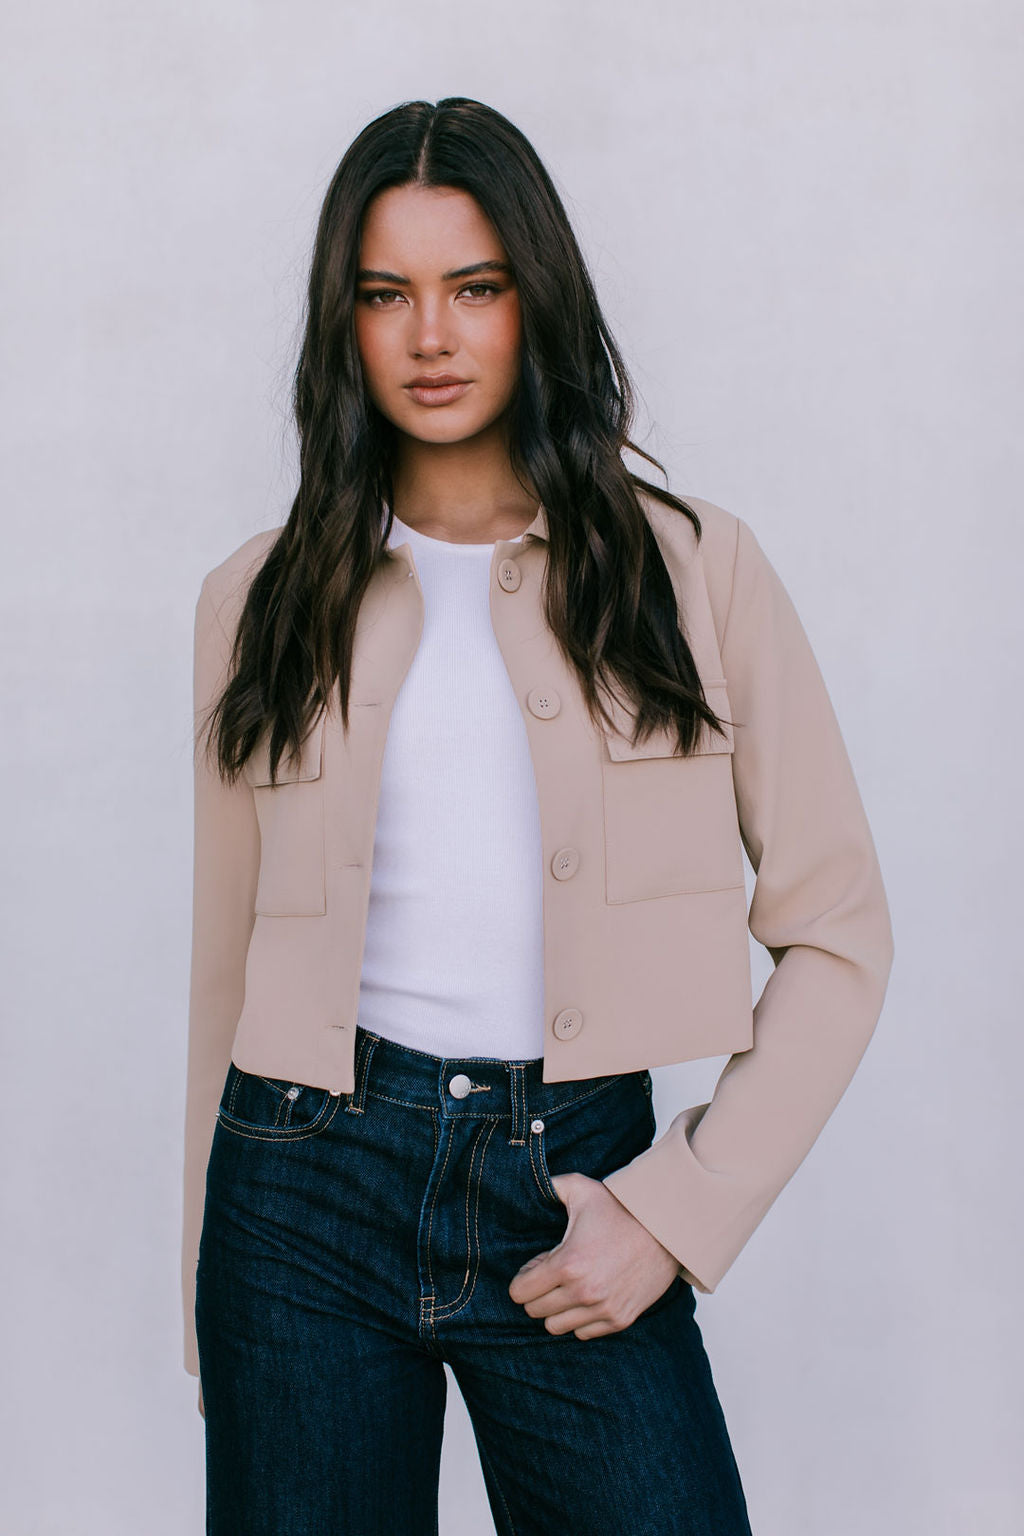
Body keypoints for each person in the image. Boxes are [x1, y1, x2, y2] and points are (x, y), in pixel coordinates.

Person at [182, 96, 893, 1535]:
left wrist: (677, 1212)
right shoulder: (254, 599)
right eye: (386, 295)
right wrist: (213, 1307)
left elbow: (839, 935)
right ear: (345, 323)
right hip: (297, 1200)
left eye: (476, 288)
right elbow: (222, 976)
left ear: (535, 302)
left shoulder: (696, 574)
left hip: (575, 1179)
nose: (430, 335)